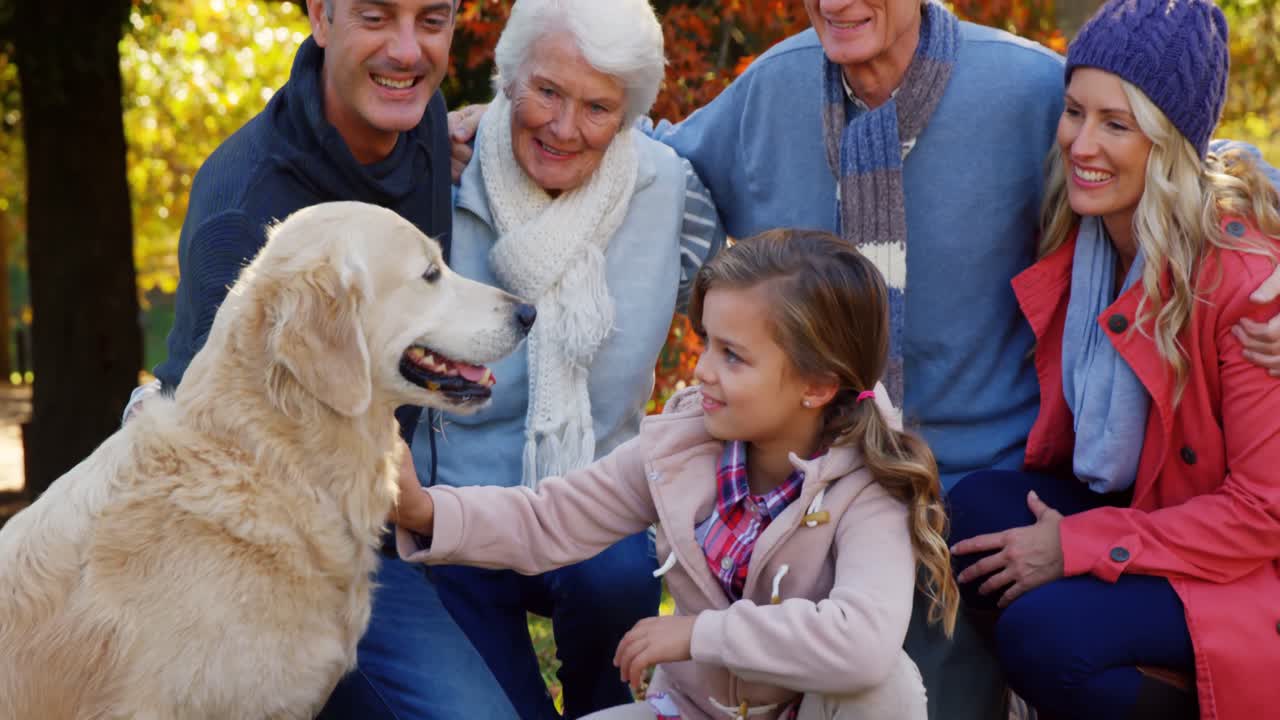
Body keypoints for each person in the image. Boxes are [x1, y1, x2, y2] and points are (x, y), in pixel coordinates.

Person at [446, 2, 1280, 717]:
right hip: (817, 491)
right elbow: (651, 152)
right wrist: (511, 119)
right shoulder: (776, 88)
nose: (839, 3)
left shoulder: (1031, 92)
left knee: (986, 659)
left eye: (1104, 123)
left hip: (981, 496)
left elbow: (1193, 156)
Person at [391, 228, 958, 720]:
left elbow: (862, 641)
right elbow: (549, 517)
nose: (703, 370)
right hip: (690, 711)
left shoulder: (871, 485)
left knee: (888, 688)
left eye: (733, 356)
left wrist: (699, 635)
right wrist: (425, 511)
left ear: (817, 386)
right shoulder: (683, 447)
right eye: (706, 342)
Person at [139, 0, 518, 717]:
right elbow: (202, 443)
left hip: (398, 506)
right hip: (272, 555)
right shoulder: (241, 214)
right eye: (376, 16)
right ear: (321, 16)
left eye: (432, 21)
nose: (407, 52)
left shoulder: (422, 116)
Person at [947, 1, 1280, 718]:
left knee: (1047, 636)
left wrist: (1077, 545)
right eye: (1074, 112)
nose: (1081, 143)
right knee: (972, 518)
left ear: (1169, 141)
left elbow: (1261, 515)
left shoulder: (1249, 288)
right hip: (1144, 509)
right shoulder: (1087, 239)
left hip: (1241, 563)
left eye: (1117, 124)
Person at [407, 1, 726, 717]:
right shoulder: (436, 173)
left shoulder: (673, 192)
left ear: (631, 116)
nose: (562, 127)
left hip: (598, 510)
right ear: (510, 79)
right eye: (547, 91)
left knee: (612, 580)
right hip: (456, 508)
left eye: (597, 107)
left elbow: (736, 318)